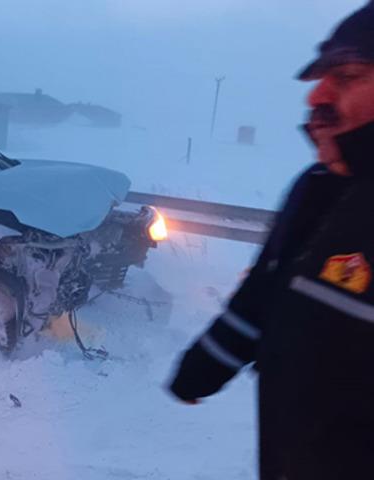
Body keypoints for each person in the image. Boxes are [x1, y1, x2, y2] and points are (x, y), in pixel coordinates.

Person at [168, 3, 374, 479]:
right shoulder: (316, 187)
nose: (316, 97)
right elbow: (264, 293)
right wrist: (205, 365)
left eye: (346, 75)